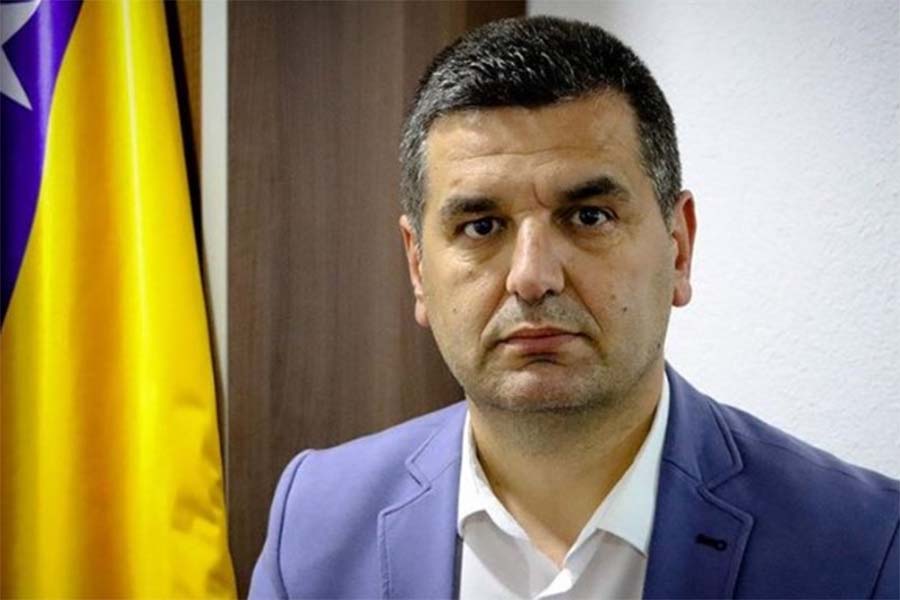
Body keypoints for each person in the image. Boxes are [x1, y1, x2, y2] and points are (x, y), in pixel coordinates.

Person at [249, 16, 898, 599]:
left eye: (589, 216)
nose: (532, 278)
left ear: (678, 248)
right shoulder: (314, 521)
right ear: (419, 267)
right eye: (481, 226)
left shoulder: (865, 544)